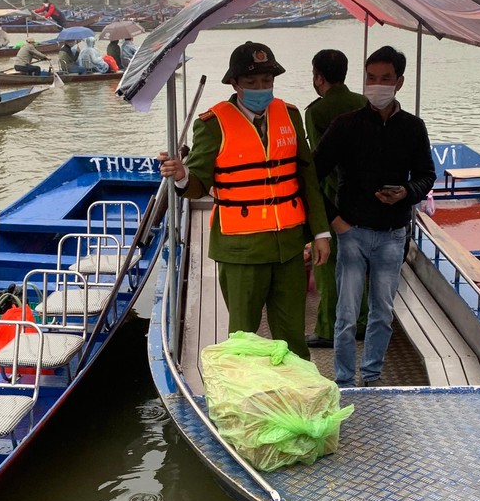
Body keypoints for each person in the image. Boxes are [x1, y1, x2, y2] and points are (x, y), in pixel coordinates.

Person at [158, 41, 331, 359]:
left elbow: (307, 179)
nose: (260, 89)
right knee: (244, 337)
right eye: (251, 83)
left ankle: (297, 396)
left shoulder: (290, 116)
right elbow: (198, 185)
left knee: (292, 335)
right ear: (235, 83)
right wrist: (182, 174)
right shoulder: (212, 124)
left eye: (267, 82)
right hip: (241, 250)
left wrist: (320, 233)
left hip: (289, 246)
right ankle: (246, 401)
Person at [313, 45, 436, 387]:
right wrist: (334, 220)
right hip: (351, 231)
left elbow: (427, 175)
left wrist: (407, 192)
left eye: (385, 78)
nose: (376, 85)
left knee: (382, 314)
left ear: (399, 81)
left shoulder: (413, 127)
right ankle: (342, 379)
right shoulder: (345, 125)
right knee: (346, 315)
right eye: (370, 78)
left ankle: (371, 376)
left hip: (393, 234)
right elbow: (312, 174)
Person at [304, 49, 368, 348]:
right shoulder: (363, 103)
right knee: (361, 263)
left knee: (327, 265)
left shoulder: (316, 111)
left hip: (331, 198)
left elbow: (318, 160)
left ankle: (328, 329)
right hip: (364, 198)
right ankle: (363, 322)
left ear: (319, 77)